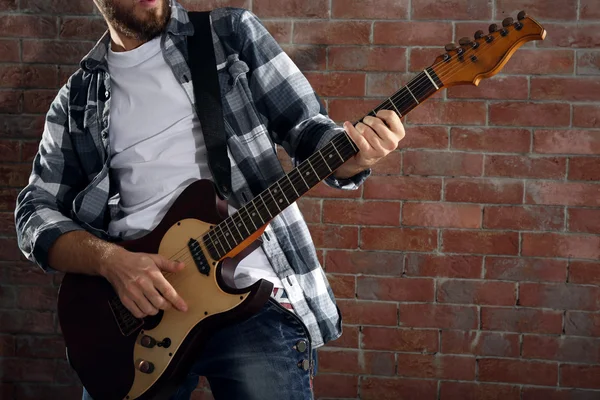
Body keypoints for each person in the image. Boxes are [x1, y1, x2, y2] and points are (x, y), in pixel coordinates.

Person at [14, 0, 405, 399]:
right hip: (136, 314)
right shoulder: (77, 98)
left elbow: (306, 127)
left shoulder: (229, 33)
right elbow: (33, 211)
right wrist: (110, 262)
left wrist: (352, 157)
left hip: (250, 297)